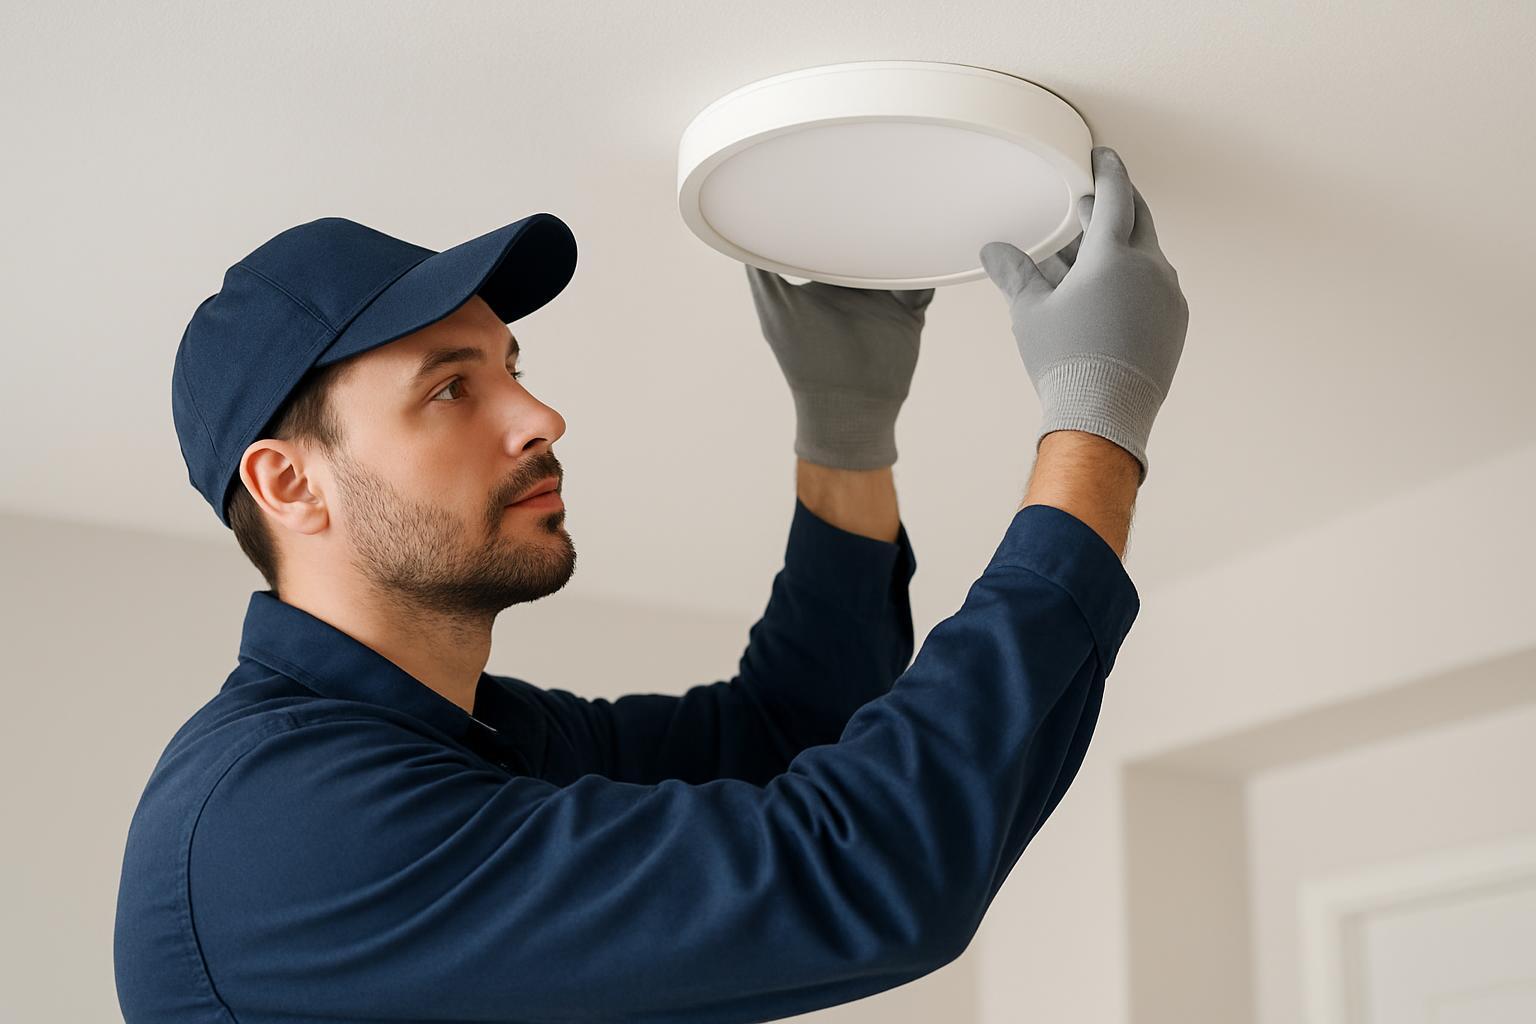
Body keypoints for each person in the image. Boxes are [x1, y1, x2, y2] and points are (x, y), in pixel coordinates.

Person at [114, 144, 1187, 1022]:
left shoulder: (459, 744)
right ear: (288, 481)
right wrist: (1095, 419)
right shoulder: (284, 822)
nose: (540, 418)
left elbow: (791, 733)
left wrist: (844, 438)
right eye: (449, 387)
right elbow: (865, 871)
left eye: (511, 369)